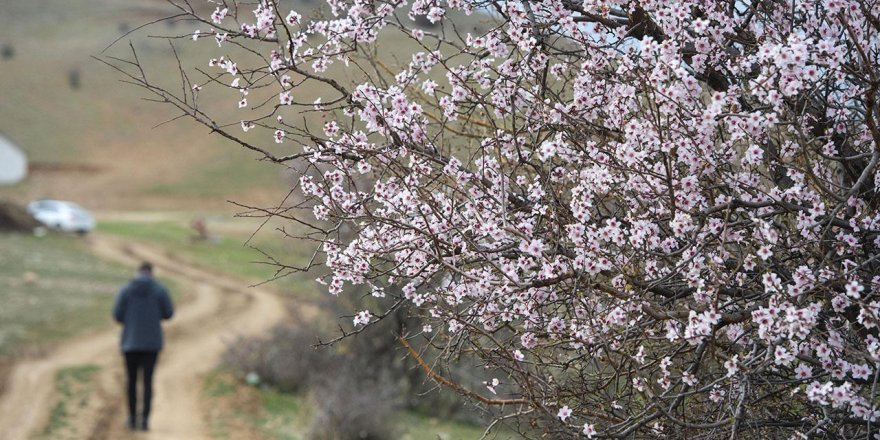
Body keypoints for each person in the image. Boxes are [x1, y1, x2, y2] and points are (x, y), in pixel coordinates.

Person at [112, 261, 174, 431]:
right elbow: (168, 313)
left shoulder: (125, 290)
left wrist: (132, 320)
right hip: (152, 344)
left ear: (137, 272)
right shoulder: (160, 290)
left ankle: (132, 418)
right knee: (147, 382)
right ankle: (145, 420)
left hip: (129, 343)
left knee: (131, 381)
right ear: (151, 273)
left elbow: (117, 315)